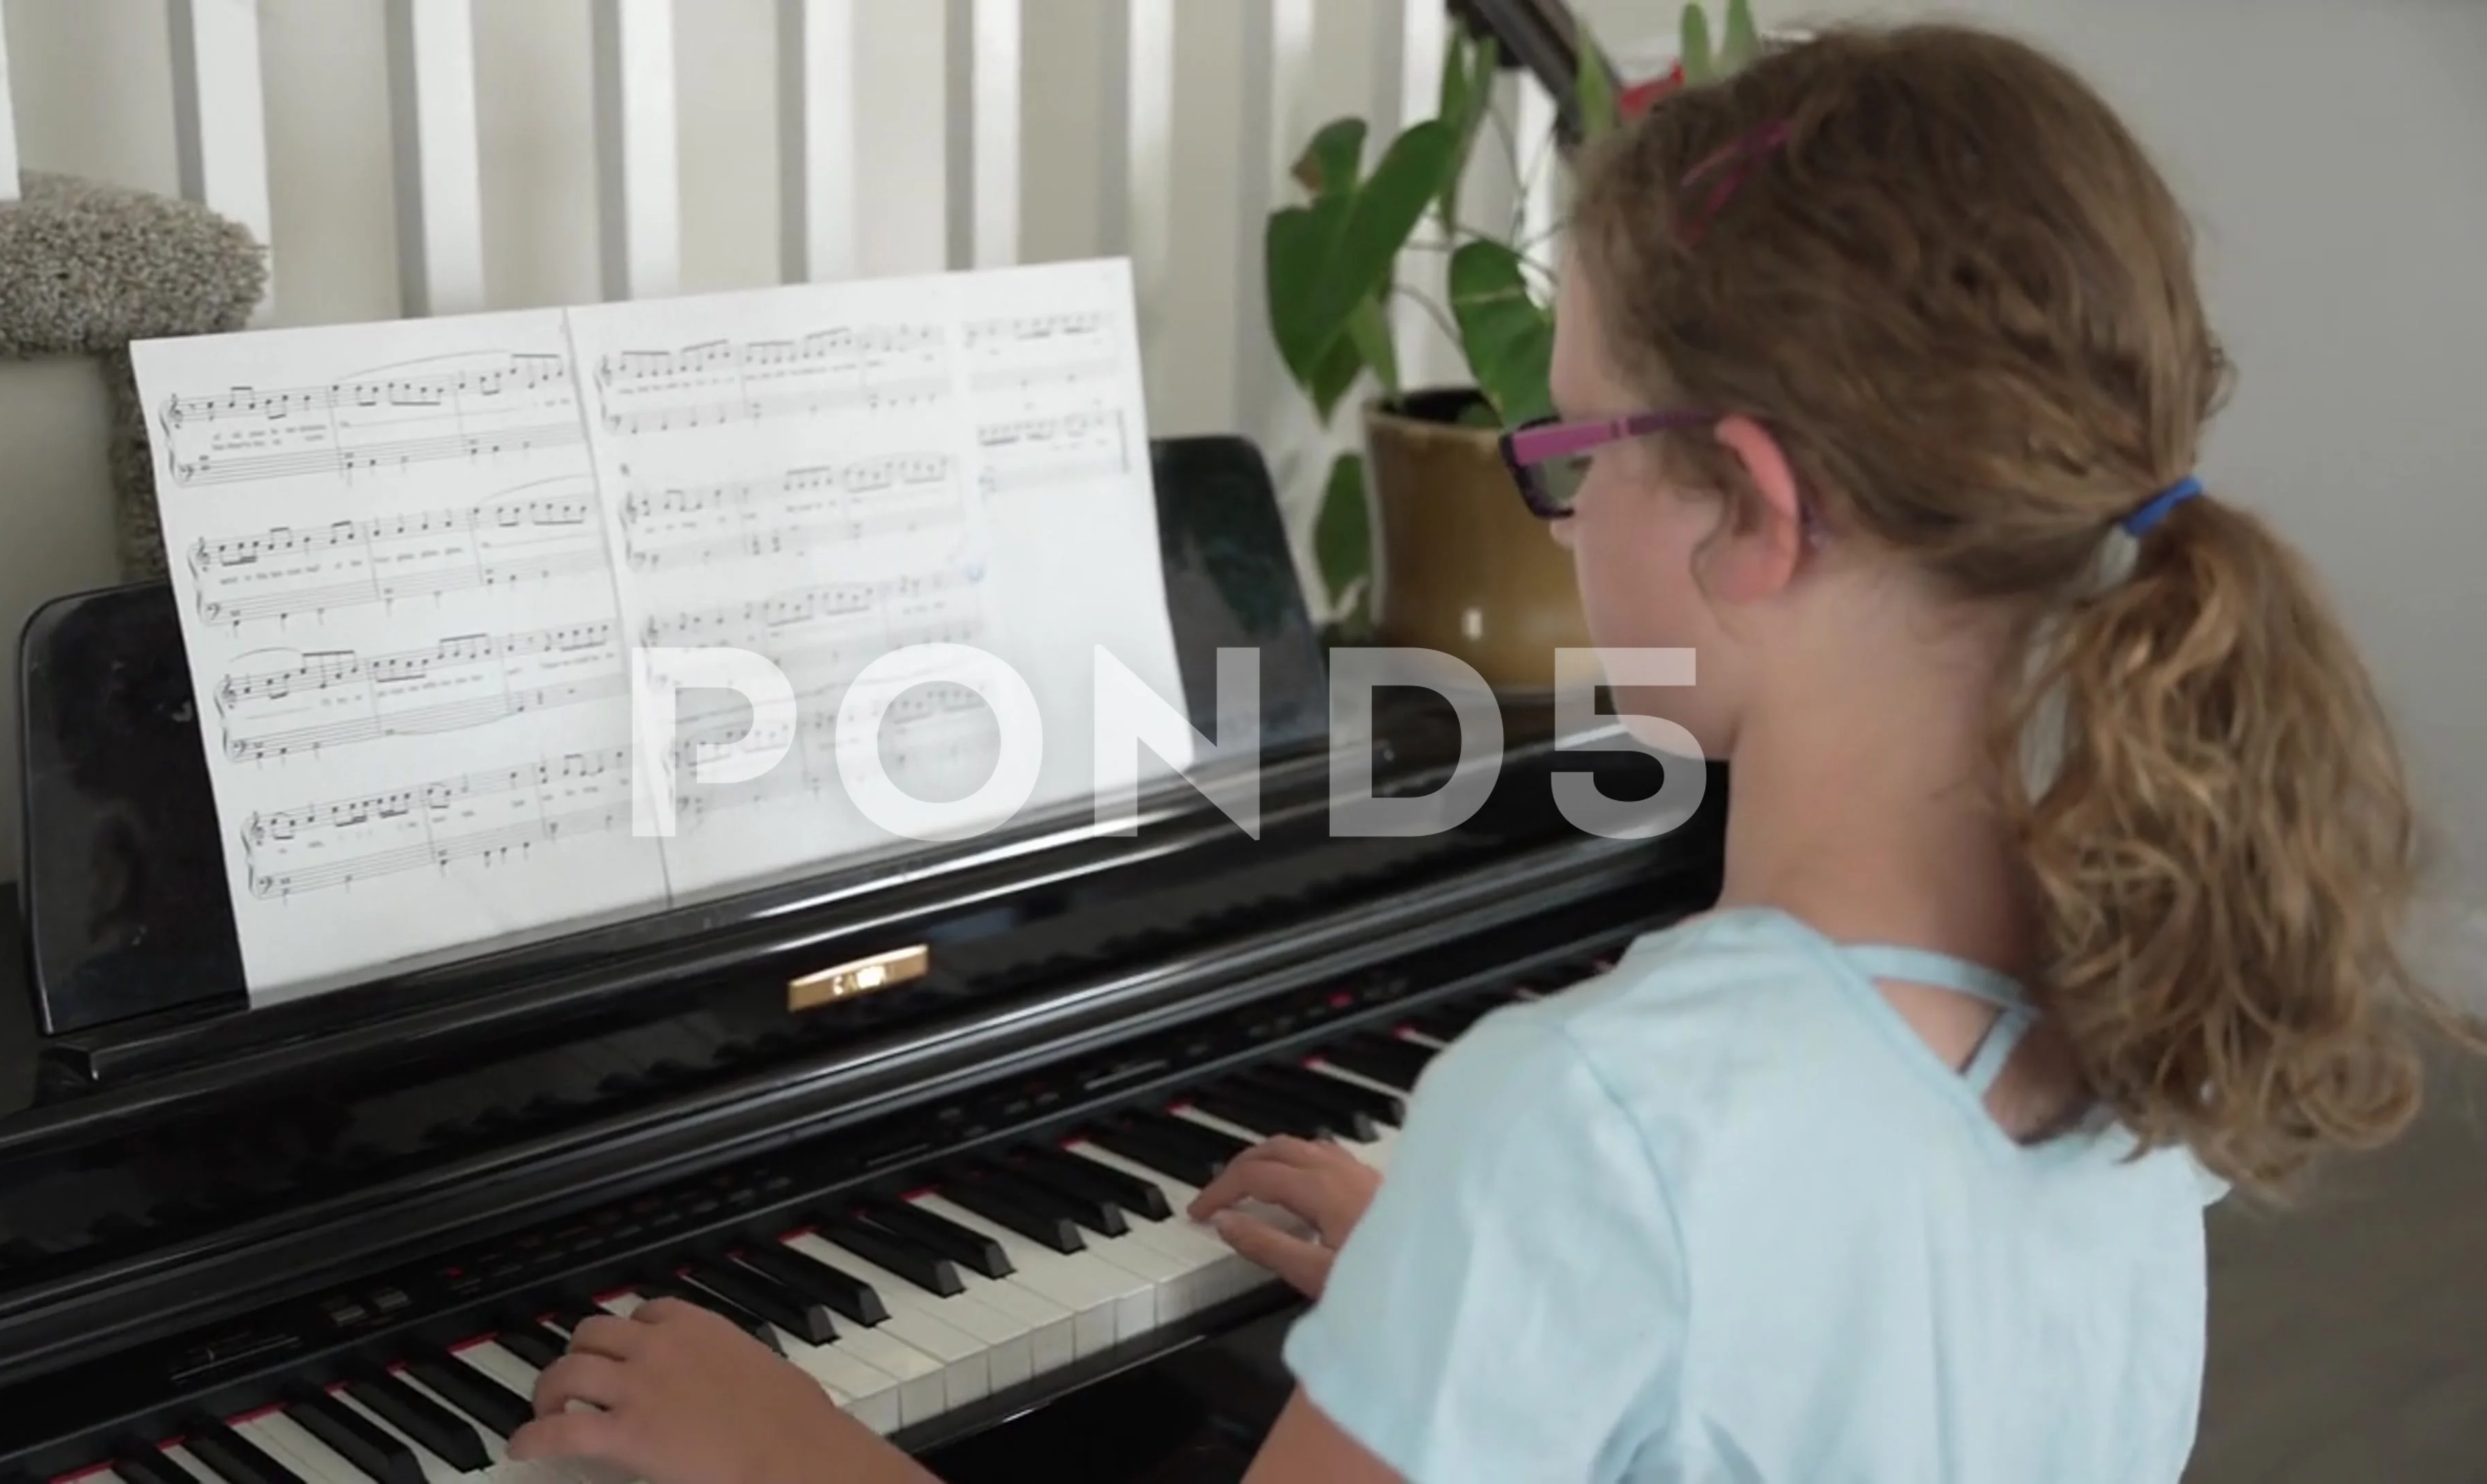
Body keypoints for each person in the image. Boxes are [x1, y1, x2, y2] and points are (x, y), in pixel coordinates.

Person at [502, 19, 2470, 1483]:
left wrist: (800, 1456)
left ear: (1751, 511)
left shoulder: (1593, 1123)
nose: (1555, 509)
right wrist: (1479, 1300)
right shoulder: (2148, 993)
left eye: (1568, 445)